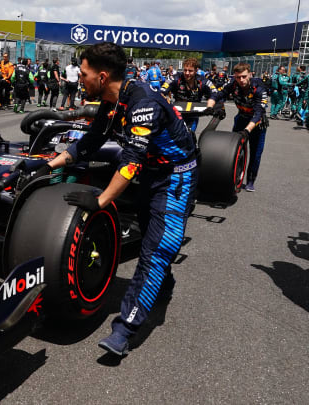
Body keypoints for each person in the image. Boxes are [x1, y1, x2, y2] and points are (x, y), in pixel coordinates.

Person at [35, 42, 198, 356]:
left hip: (177, 177)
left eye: (83, 74)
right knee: (154, 242)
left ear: (102, 75)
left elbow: (130, 162)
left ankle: (124, 330)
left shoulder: (142, 103)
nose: (79, 78)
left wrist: (101, 201)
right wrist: (48, 164)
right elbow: (92, 140)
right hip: (151, 174)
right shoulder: (112, 100)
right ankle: (163, 284)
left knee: (156, 251)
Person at [206, 62, 269, 192]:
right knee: (233, 150)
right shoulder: (232, 84)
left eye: (244, 76)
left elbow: (258, 113)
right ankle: (231, 176)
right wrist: (209, 107)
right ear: (234, 76)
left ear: (250, 74)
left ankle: (251, 180)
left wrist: (247, 130)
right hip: (241, 118)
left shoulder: (260, 88)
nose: (241, 80)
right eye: (238, 77)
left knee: (256, 153)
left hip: (257, 123)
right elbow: (217, 94)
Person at [160, 57, 217, 133]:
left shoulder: (202, 81)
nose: (187, 73)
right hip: (177, 114)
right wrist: (163, 97)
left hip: (193, 115)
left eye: (190, 71)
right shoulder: (175, 78)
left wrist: (211, 105)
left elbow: (215, 93)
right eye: (185, 70)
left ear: (196, 70)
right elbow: (162, 90)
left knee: (189, 134)